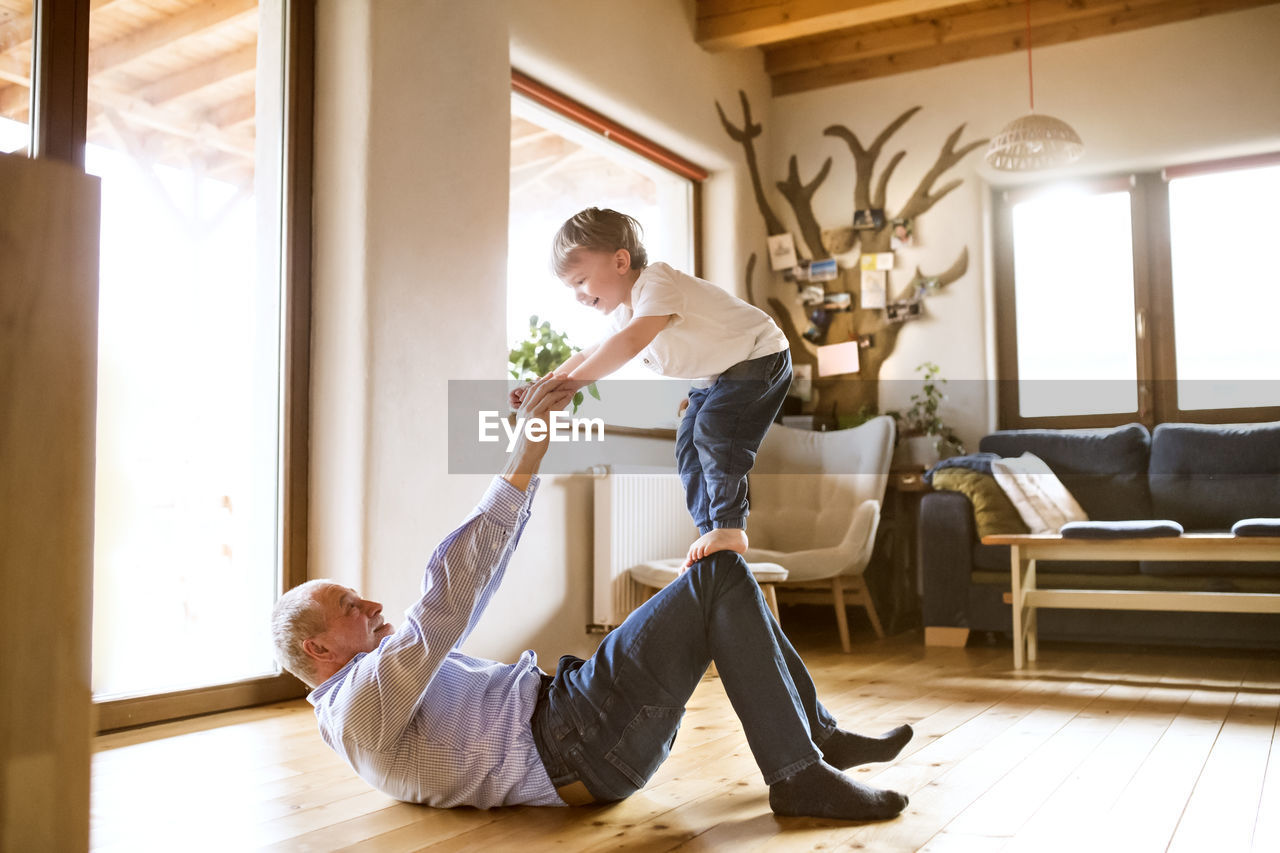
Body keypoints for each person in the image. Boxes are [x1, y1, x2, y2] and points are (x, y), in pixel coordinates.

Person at [271, 375, 912, 820]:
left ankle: (816, 739)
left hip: (584, 729)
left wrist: (533, 456)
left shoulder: (380, 692)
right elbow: (442, 607)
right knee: (718, 572)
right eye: (352, 607)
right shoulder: (356, 710)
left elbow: (473, 589)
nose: (373, 607)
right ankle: (799, 773)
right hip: (579, 740)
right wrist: (521, 454)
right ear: (317, 646)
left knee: (725, 576)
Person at [513, 207, 792, 568]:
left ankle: (729, 525)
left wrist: (573, 386)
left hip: (759, 354)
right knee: (688, 443)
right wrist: (547, 384)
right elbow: (590, 352)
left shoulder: (656, 283)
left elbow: (628, 345)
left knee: (714, 430)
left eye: (581, 280)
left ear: (620, 261)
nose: (578, 295)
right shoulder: (622, 313)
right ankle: (710, 529)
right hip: (716, 375)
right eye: (571, 288)